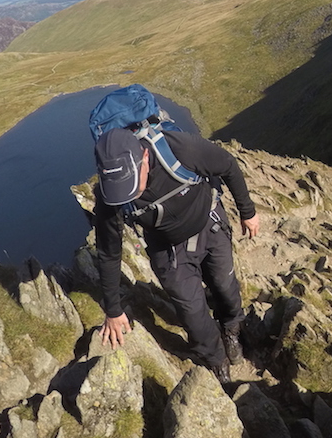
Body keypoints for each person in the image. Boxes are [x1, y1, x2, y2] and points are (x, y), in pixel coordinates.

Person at [93, 126, 259, 384]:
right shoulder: (110, 195)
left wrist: (247, 212)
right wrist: (113, 310)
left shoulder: (179, 149)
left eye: (133, 183)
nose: (130, 193)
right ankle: (216, 360)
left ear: (145, 157)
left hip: (209, 224)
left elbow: (227, 164)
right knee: (192, 314)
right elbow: (109, 251)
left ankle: (231, 327)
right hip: (167, 249)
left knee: (225, 286)